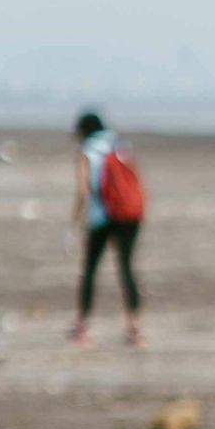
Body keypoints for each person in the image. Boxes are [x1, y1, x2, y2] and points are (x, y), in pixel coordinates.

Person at [69, 110, 146, 346]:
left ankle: (83, 328)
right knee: (126, 268)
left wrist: (75, 222)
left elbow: (83, 190)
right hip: (129, 214)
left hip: (102, 217)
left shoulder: (88, 151)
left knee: (91, 269)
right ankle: (135, 329)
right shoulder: (119, 145)